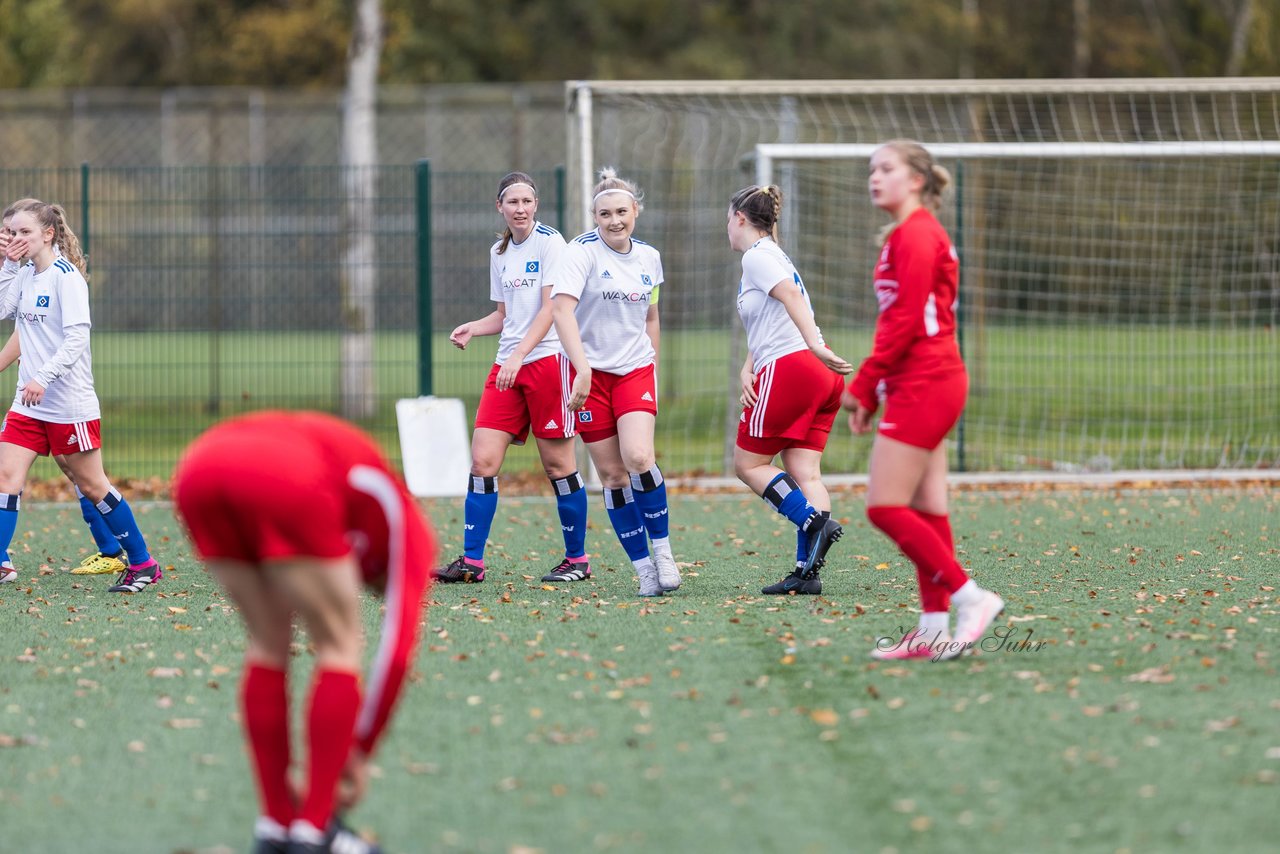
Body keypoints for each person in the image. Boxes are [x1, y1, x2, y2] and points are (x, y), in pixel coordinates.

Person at [172, 410, 436, 854]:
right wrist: (359, 750)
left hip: (199, 468)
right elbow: (398, 650)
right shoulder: (410, 529)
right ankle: (315, 830)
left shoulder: (357, 498)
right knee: (340, 643)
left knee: (267, 644)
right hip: (283, 471)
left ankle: (275, 826)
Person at [843, 140, 1004, 661]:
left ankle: (971, 598)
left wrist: (865, 384)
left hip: (928, 381)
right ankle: (933, 631)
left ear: (915, 179)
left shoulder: (917, 234)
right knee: (926, 508)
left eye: (886, 168)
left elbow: (909, 320)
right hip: (921, 380)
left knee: (884, 507)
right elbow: (903, 320)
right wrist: (880, 389)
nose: (875, 177)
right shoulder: (907, 234)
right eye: (871, 169)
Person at [434, 172, 591, 585]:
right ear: (499, 208)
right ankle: (472, 562)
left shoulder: (551, 243)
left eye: (527, 201)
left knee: (558, 466)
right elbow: (505, 317)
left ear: (536, 205)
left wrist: (519, 355)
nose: (520, 209)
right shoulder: (499, 251)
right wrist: (473, 326)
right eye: (512, 202)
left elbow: (551, 310)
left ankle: (577, 559)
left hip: (545, 363)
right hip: (509, 366)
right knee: (483, 461)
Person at [0, 201, 158, 591]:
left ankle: (143, 564)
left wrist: (43, 376)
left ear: (47, 234)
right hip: (28, 404)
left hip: (68, 405)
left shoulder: (66, 278)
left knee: (92, 485)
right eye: (9, 234)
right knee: (5, 478)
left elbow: (75, 341)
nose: (15, 240)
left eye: (23, 233)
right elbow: (4, 310)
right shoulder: (24, 275)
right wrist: (7, 264)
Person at [550, 167, 678, 597]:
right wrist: (582, 367)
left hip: (635, 369)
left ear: (635, 211)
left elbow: (652, 316)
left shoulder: (649, 257)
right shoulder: (579, 253)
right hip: (589, 376)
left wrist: (653, 366)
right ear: (594, 216)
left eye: (622, 212)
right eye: (604, 214)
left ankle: (662, 550)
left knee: (639, 456)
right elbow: (562, 312)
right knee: (612, 475)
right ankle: (643, 569)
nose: (614, 220)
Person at [725, 185, 853, 595]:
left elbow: (791, 297)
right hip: (817, 373)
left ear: (740, 219)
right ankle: (806, 574)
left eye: (728, 219)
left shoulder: (757, 256)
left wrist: (813, 343)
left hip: (794, 366)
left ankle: (813, 522)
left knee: (749, 465)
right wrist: (749, 367)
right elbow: (769, 320)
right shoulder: (774, 255)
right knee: (805, 472)